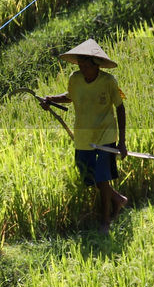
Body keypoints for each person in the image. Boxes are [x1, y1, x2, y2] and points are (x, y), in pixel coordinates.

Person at [40, 39, 128, 229]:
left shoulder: (108, 82)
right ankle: (118, 199)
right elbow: (69, 97)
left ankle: (105, 221)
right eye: (80, 64)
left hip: (105, 134)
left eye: (85, 65)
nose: (82, 68)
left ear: (95, 65)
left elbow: (120, 109)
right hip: (83, 137)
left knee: (103, 177)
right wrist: (50, 99)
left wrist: (122, 142)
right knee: (90, 176)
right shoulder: (75, 78)